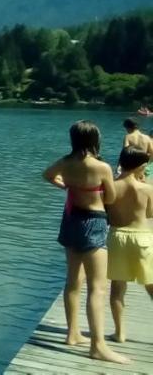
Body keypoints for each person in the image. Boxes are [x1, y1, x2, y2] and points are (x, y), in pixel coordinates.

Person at [42, 120, 128, 364]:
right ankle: (97, 346)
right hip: (94, 222)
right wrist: (97, 192)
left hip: (71, 220)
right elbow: (110, 197)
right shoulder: (101, 167)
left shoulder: (65, 163)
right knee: (97, 287)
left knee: (73, 281)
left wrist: (66, 186)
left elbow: (47, 175)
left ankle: (72, 334)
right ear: (95, 140)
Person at [107, 147, 153, 343]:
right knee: (151, 286)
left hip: (117, 237)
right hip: (142, 237)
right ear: (140, 166)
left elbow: (106, 213)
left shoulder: (111, 187)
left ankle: (120, 333)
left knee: (117, 288)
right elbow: (150, 214)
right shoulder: (147, 188)